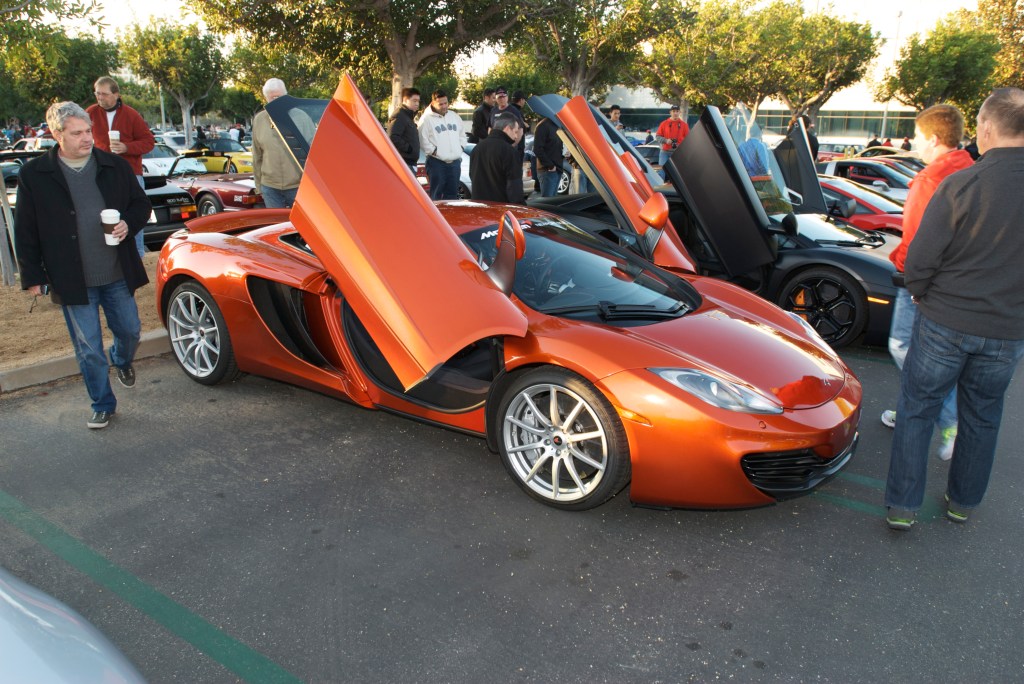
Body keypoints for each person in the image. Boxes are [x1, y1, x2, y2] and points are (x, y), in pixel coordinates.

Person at [883, 88, 1024, 531]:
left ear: (985, 130)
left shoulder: (962, 183)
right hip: (1007, 329)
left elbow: (921, 256)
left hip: (945, 320)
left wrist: (922, 295)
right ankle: (962, 502)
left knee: (917, 408)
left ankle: (903, 507)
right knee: (983, 416)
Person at [14, 101, 152, 430]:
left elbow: (140, 204)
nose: (87, 138)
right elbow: (26, 228)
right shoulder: (35, 175)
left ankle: (121, 360)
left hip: (117, 272)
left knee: (131, 331)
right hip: (72, 278)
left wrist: (127, 225)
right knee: (89, 348)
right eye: (77, 133)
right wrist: (32, 275)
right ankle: (102, 403)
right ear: (56, 134)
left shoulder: (113, 165)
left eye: (89, 131)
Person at [881, 104, 974, 464]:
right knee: (924, 351)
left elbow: (916, 240)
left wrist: (903, 271)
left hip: (922, 280)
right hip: (956, 280)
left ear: (933, 138)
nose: (915, 144)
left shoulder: (929, 179)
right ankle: (911, 409)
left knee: (901, 346)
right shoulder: (970, 168)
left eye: (918, 137)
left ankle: (950, 419)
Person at [87, 76, 155, 257]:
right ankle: (105, 253)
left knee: (135, 212)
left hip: (130, 173)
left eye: (104, 94)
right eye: (97, 93)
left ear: (116, 94)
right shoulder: (90, 113)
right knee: (101, 212)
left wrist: (127, 147)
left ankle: (137, 254)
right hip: (99, 172)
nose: (100, 97)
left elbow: (149, 142)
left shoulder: (131, 115)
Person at [251, 78, 305, 209]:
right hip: (270, 188)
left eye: (279, 97)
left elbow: (313, 152)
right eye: (272, 98)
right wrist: (259, 187)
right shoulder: (259, 120)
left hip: (297, 186)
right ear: (266, 99)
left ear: (286, 96)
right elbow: (257, 156)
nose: (276, 101)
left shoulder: (302, 117)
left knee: (299, 227)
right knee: (276, 226)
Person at [417, 89, 465, 200]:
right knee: (436, 196)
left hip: (454, 163)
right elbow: (423, 141)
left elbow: (462, 135)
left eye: (446, 103)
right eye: (440, 104)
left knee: (452, 196)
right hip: (436, 163)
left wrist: (460, 148)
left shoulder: (454, 116)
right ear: (433, 103)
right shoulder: (426, 119)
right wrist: (435, 152)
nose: (444, 106)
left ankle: (450, 218)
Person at [469, 112, 524, 204]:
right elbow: (514, 186)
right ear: (507, 128)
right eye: (515, 132)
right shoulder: (509, 151)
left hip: (479, 207)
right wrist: (519, 207)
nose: (516, 136)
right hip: (501, 208)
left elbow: (472, 176)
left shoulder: (477, 148)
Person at [488, 86, 527, 161]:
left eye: (504, 97)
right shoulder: (493, 111)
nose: (502, 99)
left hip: (510, 149)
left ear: (507, 97)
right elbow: (490, 128)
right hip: (496, 149)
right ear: (496, 98)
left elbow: (520, 130)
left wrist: (513, 145)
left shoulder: (514, 111)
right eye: (499, 97)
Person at [387, 87, 421, 172]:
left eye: (418, 101)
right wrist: (408, 149)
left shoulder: (408, 116)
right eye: (414, 101)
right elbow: (392, 136)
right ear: (405, 100)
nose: (417, 104)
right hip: (404, 163)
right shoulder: (399, 115)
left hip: (409, 163)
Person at [533, 117, 563, 197]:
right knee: (547, 202)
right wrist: (550, 165)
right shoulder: (543, 126)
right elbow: (537, 149)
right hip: (547, 171)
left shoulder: (558, 125)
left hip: (557, 169)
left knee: (553, 203)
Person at [656, 105, 689, 173]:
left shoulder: (684, 125)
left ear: (680, 112)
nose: (675, 113)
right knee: (661, 171)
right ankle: (660, 183)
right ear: (670, 112)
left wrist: (680, 145)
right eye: (673, 111)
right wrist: (666, 140)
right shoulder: (664, 123)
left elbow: (688, 140)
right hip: (664, 152)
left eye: (677, 111)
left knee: (677, 173)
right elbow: (657, 137)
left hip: (678, 153)